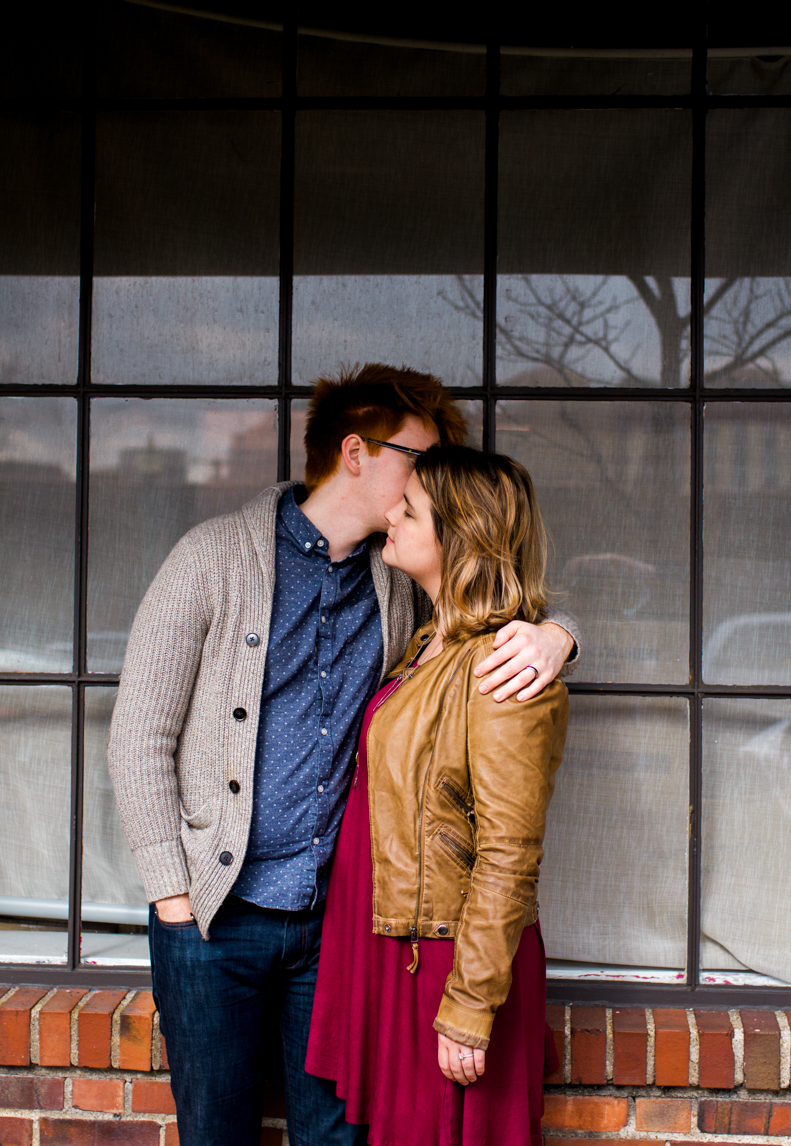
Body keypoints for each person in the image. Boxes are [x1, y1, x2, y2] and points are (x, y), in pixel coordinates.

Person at [107, 365, 580, 1146]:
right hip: (213, 922)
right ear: (355, 453)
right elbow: (139, 736)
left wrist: (558, 635)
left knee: (335, 1136)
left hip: (334, 933)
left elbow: (490, 580)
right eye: (417, 460)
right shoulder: (212, 557)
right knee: (215, 1132)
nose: (426, 482)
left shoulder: (396, 577)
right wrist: (172, 897)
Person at [306, 444, 569, 1146]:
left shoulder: (500, 671)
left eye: (411, 508)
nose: (390, 509)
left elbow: (510, 853)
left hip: (450, 961)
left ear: (460, 540)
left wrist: (470, 1006)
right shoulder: (430, 641)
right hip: (403, 946)